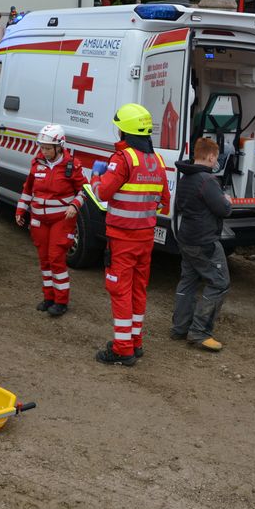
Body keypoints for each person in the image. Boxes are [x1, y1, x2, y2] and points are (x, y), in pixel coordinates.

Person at [90, 104, 169, 366]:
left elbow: (102, 193)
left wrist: (96, 176)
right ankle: (135, 342)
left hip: (122, 238)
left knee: (120, 290)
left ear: (124, 131)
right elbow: (164, 201)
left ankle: (123, 349)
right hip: (145, 238)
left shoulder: (122, 159)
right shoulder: (157, 160)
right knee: (137, 289)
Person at [16, 123, 87, 317]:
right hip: (39, 219)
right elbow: (28, 189)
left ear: (59, 147)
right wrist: (21, 209)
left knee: (56, 258)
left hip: (61, 220)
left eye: (48, 148)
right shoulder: (37, 163)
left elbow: (84, 190)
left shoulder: (72, 165)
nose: (44, 151)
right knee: (44, 259)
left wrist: (75, 205)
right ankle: (49, 297)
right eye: (42, 147)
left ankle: (61, 301)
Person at [171, 137, 232, 351]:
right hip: (204, 241)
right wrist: (227, 201)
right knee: (220, 283)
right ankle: (199, 332)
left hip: (186, 238)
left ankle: (180, 327)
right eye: (216, 157)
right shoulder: (207, 180)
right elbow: (223, 209)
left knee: (188, 281)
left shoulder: (185, 178)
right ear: (212, 156)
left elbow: (180, 205)